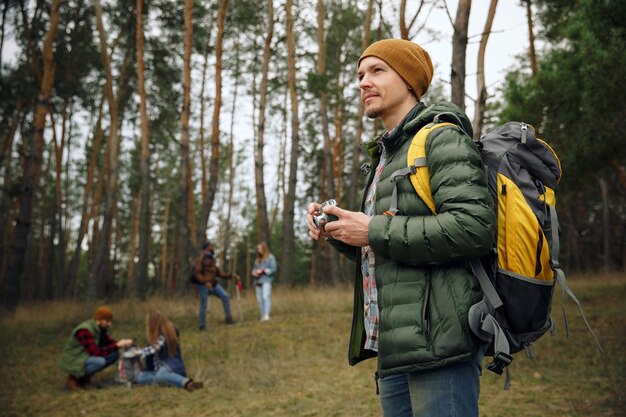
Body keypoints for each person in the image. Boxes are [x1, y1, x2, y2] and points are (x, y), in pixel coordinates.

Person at [306, 38, 496, 417]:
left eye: (377, 71)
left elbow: (474, 228)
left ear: (410, 81)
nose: (363, 82)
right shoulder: (386, 156)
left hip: (440, 344)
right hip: (394, 345)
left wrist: (372, 230)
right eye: (360, 74)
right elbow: (389, 244)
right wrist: (342, 230)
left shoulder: (441, 138)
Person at [60, 306, 134, 391]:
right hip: (75, 359)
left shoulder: (98, 328)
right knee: (99, 362)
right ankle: (72, 379)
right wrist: (117, 345)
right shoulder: (84, 330)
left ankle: (84, 377)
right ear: (101, 319)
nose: (110, 324)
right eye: (108, 321)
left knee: (114, 354)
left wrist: (123, 343)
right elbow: (95, 352)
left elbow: (108, 341)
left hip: (84, 356)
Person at [134, 310, 203, 391]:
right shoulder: (154, 339)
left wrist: (139, 352)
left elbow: (156, 347)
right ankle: (170, 380)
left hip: (171, 366)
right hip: (158, 370)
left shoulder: (167, 333)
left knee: (161, 375)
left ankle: (186, 383)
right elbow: (150, 358)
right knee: (140, 378)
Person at [194, 241, 240, 329]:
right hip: (204, 285)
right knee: (204, 304)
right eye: (211, 246)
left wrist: (230, 275)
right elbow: (197, 273)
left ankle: (228, 319)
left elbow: (219, 273)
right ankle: (202, 325)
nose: (213, 248)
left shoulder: (212, 259)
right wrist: (204, 282)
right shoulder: (201, 258)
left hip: (213, 284)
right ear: (207, 247)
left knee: (225, 296)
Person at [251, 242, 277, 321]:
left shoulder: (270, 257)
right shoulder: (258, 259)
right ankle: (262, 316)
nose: (258, 250)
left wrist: (263, 271)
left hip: (266, 280)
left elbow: (273, 269)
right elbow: (254, 269)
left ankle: (266, 315)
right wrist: (254, 272)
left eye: (259, 248)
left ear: (264, 248)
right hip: (258, 281)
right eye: (258, 249)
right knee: (260, 299)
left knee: (266, 296)